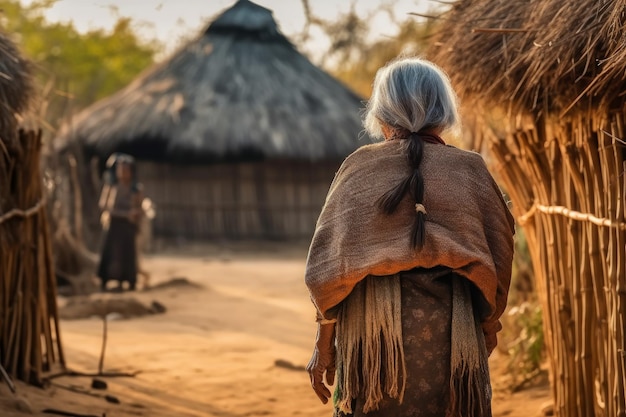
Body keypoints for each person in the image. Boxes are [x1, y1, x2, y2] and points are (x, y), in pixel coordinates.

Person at [304, 57, 515, 417]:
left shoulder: (358, 168)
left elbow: (327, 271)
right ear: (442, 109)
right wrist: (487, 324)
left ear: (382, 114)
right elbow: (499, 256)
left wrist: (324, 342)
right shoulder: (470, 170)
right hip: (454, 344)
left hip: (372, 352)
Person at [97, 153, 144, 291]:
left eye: (126, 169)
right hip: (113, 225)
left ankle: (128, 281)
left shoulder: (136, 188)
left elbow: (140, 207)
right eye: (120, 169)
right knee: (111, 252)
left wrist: (135, 213)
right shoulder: (112, 187)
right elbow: (104, 206)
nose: (123, 172)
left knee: (127, 254)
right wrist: (121, 213)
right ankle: (105, 280)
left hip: (128, 226)